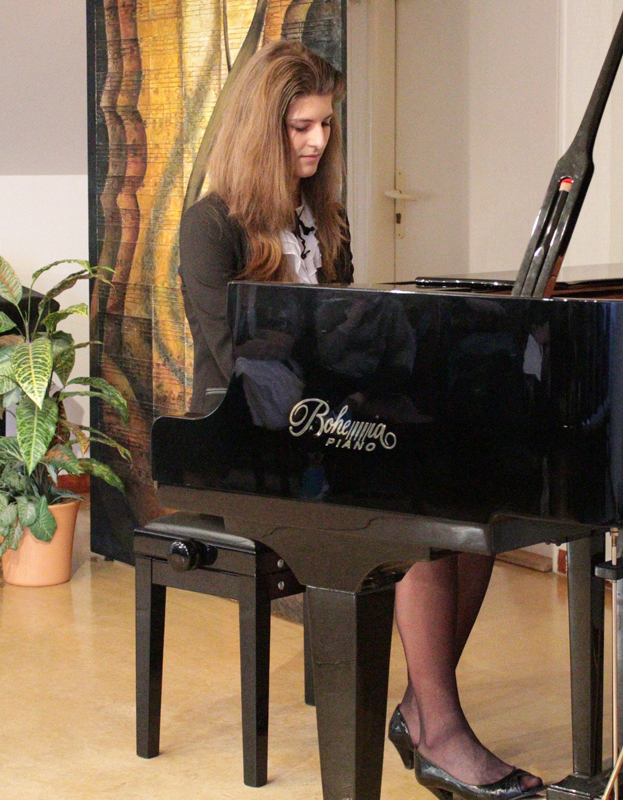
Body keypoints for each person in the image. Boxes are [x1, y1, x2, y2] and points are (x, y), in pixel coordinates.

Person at [178, 39, 543, 800]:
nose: (317, 141)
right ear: (262, 129)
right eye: (300, 127)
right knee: (405, 509)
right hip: (247, 440)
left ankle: (423, 706)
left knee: (471, 507)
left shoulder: (324, 217)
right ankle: (439, 731)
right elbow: (238, 362)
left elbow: (345, 339)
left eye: (325, 126)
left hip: (324, 421)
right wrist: (334, 372)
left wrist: (366, 364)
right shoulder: (210, 225)